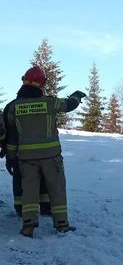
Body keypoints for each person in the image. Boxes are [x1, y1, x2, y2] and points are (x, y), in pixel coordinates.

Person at [4, 66, 86, 237]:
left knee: (29, 192)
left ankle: (28, 226)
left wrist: (10, 158)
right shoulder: (50, 102)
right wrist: (77, 95)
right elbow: (69, 104)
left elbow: (12, 136)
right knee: (56, 189)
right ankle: (62, 224)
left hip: (26, 159)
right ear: (41, 84)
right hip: (51, 157)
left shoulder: (14, 107)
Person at [3, 90, 52, 217]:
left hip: (21, 155)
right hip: (45, 154)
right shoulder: (45, 103)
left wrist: (9, 156)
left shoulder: (12, 106)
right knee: (43, 179)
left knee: (20, 180)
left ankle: (20, 208)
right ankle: (45, 207)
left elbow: (9, 135)